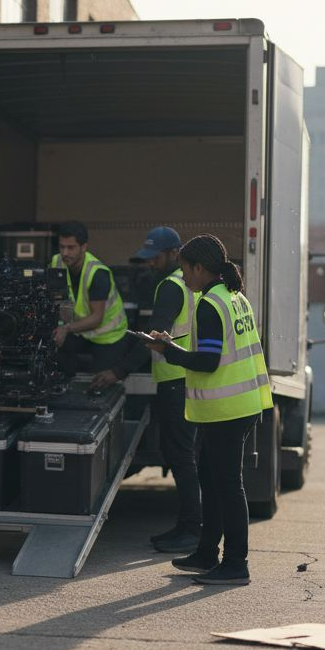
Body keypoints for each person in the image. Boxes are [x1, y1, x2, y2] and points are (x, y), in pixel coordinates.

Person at [141, 234, 272, 585]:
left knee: (227, 486)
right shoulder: (233, 296)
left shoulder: (209, 304)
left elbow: (208, 361)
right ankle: (206, 553)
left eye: (185, 270)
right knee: (211, 482)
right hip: (239, 405)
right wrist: (172, 345)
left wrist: (166, 350)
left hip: (227, 410)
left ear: (199, 268)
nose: (183, 278)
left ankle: (235, 563)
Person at [90, 226, 201, 553]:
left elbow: (157, 341)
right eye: (147, 258)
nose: (150, 263)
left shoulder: (170, 287)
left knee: (181, 457)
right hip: (185, 379)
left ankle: (191, 530)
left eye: (156, 257)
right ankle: (186, 525)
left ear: (174, 253)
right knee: (182, 456)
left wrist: (118, 370)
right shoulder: (190, 283)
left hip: (175, 382)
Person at [49, 221, 129, 375]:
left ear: (84, 247)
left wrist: (65, 328)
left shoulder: (98, 274)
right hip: (80, 332)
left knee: (99, 382)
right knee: (56, 361)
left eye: (71, 247)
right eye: (61, 247)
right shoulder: (56, 262)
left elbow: (96, 318)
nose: (65, 253)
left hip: (108, 336)